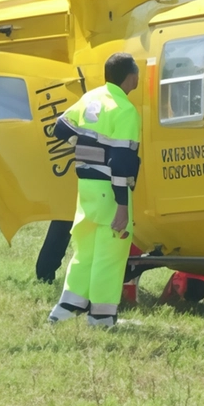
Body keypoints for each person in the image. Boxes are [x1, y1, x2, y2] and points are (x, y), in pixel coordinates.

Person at [47, 52, 142, 327]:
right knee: (110, 253)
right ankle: (101, 317)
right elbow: (122, 163)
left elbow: (59, 129)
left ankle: (66, 308)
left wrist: (85, 146)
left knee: (85, 250)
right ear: (131, 76)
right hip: (109, 191)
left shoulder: (91, 98)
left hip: (86, 187)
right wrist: (122, 206)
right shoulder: (124, 110)